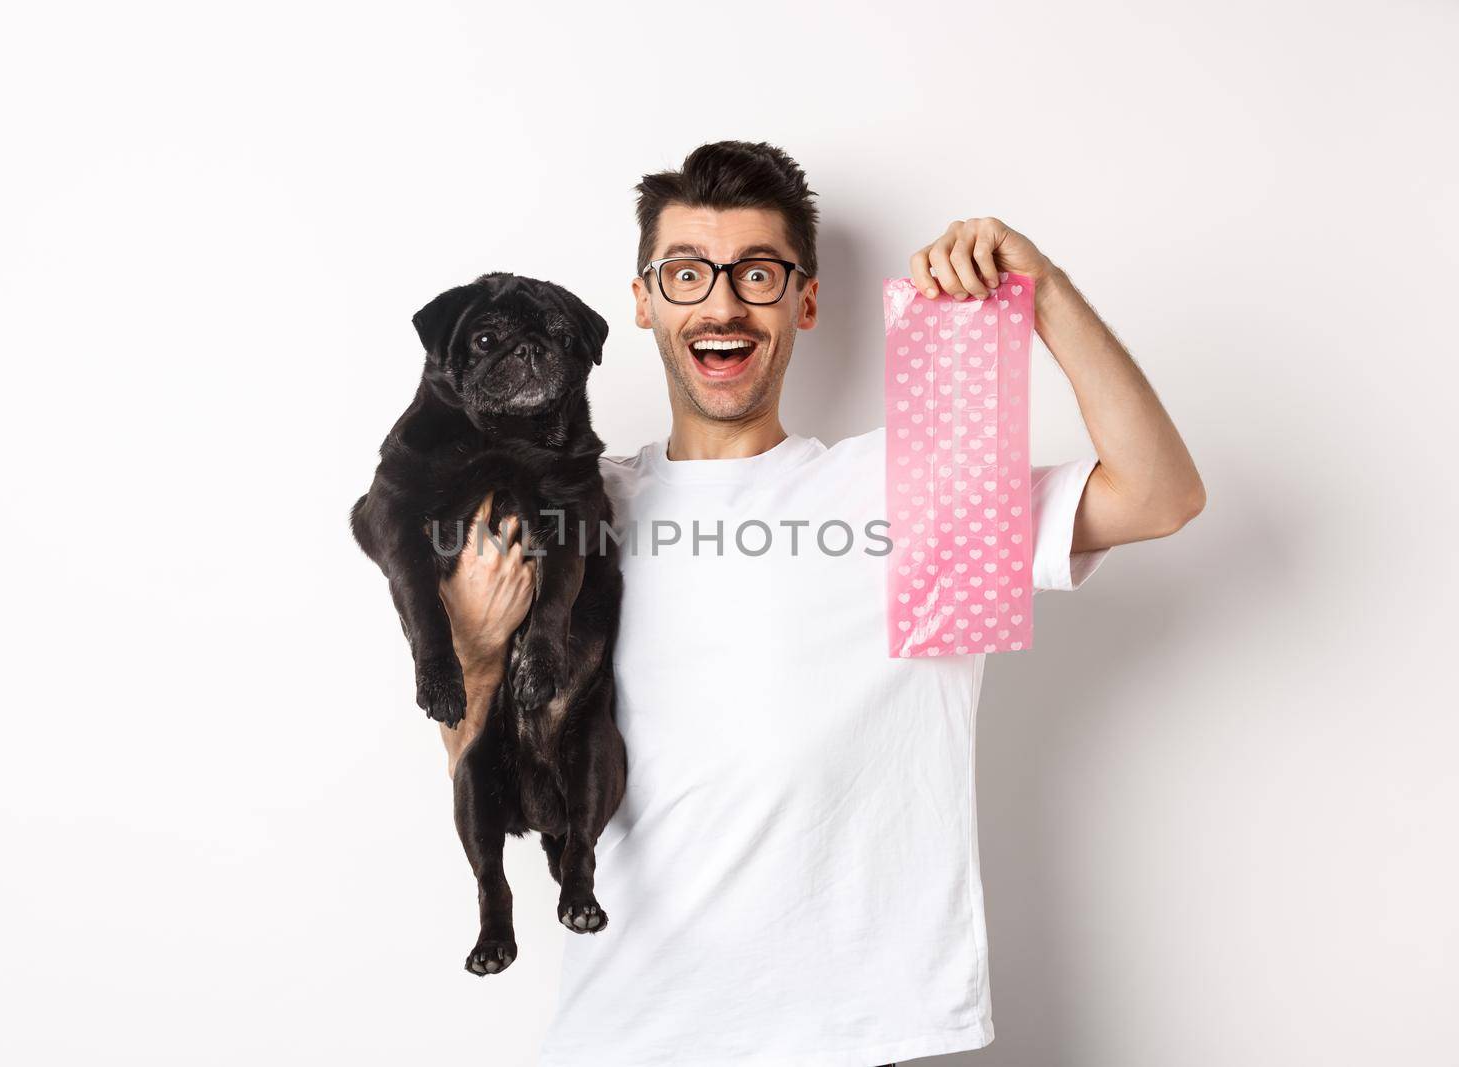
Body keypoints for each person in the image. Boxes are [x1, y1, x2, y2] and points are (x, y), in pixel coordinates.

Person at [433, 141, 1205, 1066]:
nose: (721, 302)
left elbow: (1159, 495)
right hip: (621, 1034)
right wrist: (477, 649)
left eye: (756, 273)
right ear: (644, 302)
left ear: (803, 300)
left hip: (846, 1035)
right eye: (687, 273)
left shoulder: (909, 487)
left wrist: (1049, 295)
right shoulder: (569, 512)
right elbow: (498, 782)